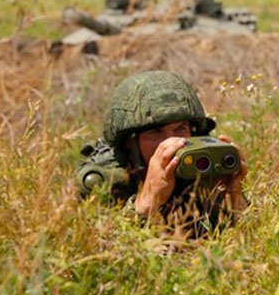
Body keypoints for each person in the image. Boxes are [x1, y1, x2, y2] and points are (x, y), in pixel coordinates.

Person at [74, 70, 247, 234]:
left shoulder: (198, 164)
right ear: (130, 143)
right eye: (155, 132)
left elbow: (243, 238)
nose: (170, 142)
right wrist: (146, 203)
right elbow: (103, 249)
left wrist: (231, 195)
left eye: (180, 128)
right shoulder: (101, 182)